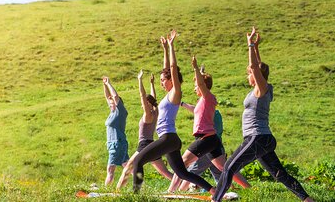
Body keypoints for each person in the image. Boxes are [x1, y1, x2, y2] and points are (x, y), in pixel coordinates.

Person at [212, 27, 314, 202]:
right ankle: (307, 199)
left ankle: (216, 199)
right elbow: (258, 67)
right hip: (263, 139)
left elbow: (255, 67)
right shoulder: (264, 88)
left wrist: (250, 45)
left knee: (228, 167)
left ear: (256, 75)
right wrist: (256, 48)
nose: (247, 76)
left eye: (249, 74)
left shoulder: (262, 89)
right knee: (279, 173)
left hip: (256, 137)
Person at [131, 30, 216, 196]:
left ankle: (135, 195)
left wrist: (171, 46)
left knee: (138, 161)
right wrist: (164, 48)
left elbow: (171, 68)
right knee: (183, 173)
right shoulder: (167, 95)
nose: (162, 83)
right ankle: (214, 190)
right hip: (171, 140)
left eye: (164, 80)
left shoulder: (176, 93)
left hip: (168, 138)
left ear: (172, 79)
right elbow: (166, 69)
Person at [168, 57, 250, 192]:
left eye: (196, 87)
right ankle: (248, 188)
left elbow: (201, 84)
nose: (195, 89)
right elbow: (195, 109)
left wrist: (195, 68)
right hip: (212, 139)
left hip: (206, 138)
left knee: (182, 163)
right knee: (224, 168)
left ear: (203, 87)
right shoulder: (203, 101)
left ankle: (172, 192)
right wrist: (181, 103)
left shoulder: (208, 97)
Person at [116, 70, 173, 190]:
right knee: (165, 173)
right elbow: (153, 98)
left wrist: (140, 80)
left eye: (144, 103)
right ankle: (187, 184)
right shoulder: (155, 112)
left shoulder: (148, 115)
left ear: (147, 104)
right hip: (152, 145)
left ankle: (117, 192)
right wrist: (152, 84)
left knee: (127, 169)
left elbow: (143, 96)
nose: (141, 104)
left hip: (144, 145)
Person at [102, 76, 129, 186]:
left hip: (117, 144)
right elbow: (107, 97)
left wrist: (109, 83)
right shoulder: (112, 113)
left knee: (110, 169)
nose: (110, 103)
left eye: (112, 102)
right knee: (128, 167)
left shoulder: (120, 111)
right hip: (115, 144)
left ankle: (106, 190)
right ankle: (141, 184)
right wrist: (104, 85)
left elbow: (115, 96)